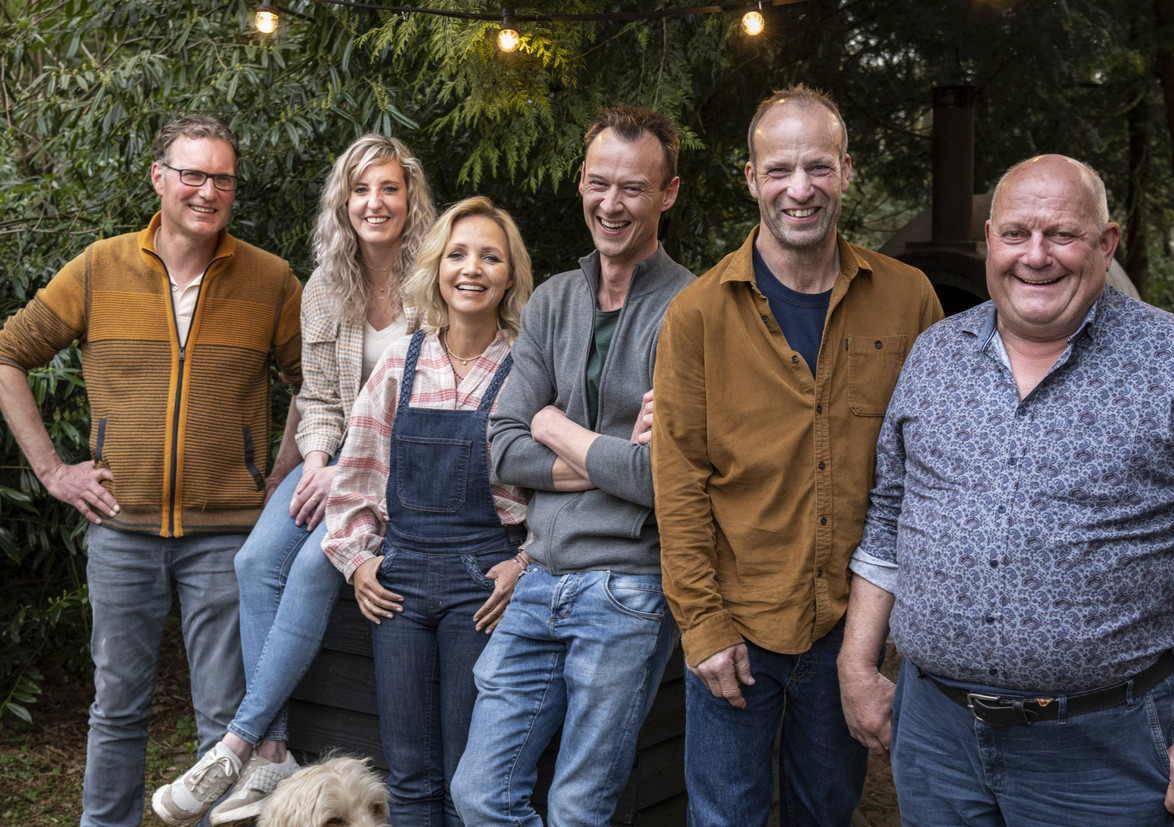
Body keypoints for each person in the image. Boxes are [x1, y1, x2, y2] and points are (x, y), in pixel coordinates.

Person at [838, 154, 1174, 825]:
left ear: (1106, 244)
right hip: (937, 739)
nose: (1036, 256)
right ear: (988, 241)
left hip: (1103, 752)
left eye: (1062, 234)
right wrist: (857, 664)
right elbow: (887, 521)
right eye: (1017, 234)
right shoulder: (934, 357)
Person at [0, 116, 303, 827]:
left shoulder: (271, 278)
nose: (207, 191)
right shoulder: (100, 266)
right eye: (192, 174)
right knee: (117, 707)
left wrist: (281, 470)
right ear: (159, 178)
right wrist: (51, 470)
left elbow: (316, 383)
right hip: (120, 527)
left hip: (227, 532)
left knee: (226, 720)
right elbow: (9, 353)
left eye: (221, 177)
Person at [652, 84, 942, 826]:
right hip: (735, 625)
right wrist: (704, 627)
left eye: (818, 166)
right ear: (751, 179)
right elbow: (678, 482)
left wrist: (884, 640)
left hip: (852, 630)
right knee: (725, 816)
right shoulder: (697, 315)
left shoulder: (908, 301)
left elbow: (935, 468)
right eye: (779, 170)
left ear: (847, 171)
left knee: (827, 811)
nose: (800, 188)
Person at [151, 134, 435, 825]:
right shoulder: (324, 289)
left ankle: (236, 742)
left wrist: (349, 475)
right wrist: (314, 460)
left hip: (407, 471)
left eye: (389, 188)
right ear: (343, 201)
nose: (375, 202)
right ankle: (274, 749)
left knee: (314, 567)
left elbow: (443, 400)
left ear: (410, 199)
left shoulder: (437, 278)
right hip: (334, 458)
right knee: (256, 560)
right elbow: (318, 400)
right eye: (361, 189)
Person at [451, 106, 692, 826]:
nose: (611, 204)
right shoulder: (554, 299)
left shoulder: (691, 309)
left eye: (633, 189)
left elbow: (664, 479)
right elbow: (501, 446)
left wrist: (554, 424)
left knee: (580, 805)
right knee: (478, 794)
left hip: (629, 587)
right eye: (598, 183)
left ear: (668, 193)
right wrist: (609, 452)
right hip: (538, 576)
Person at [324, 196, 534, 825]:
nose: (472, 269)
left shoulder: (527, 368)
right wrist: (357, 561)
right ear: (437, 267)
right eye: (458, 254)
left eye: (490, 257)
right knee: (410, 775)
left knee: (470, 772)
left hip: (485, 585)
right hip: (401, 584)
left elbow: (553, 490)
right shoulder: (400, 360)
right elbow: (356, 474)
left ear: (510, 275)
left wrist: (524, 563)